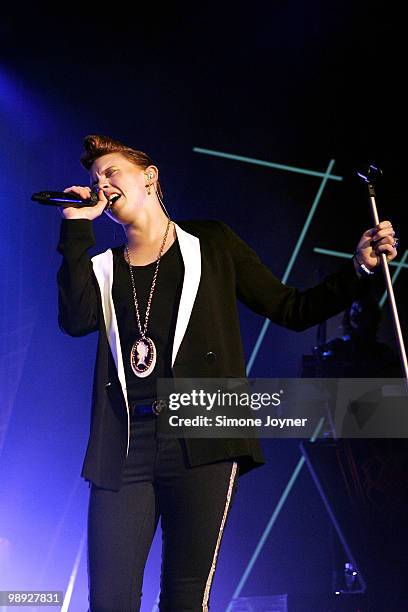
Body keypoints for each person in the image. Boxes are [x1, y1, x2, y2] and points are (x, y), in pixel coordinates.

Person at [56, 134, 398, 612]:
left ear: (149, 177)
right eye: (95, 179)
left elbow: (291, 307)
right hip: (125, 439)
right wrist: (75, 229)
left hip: (203, 429)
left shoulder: (210, 243)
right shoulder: (103, 267)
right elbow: (74, 320)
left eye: (111, 173)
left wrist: (358, 270)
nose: (102, 185)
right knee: (109, 600)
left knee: (184, 594)